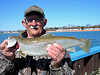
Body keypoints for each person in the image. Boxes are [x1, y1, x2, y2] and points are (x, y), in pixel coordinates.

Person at [0, 5, 73, 75]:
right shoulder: (11, 50)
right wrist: (6, 58)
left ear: (44, 22)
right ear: (24, 23)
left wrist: (56, 65)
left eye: (38, 19)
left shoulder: (58, 47)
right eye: (30, 19)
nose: (34, 23)